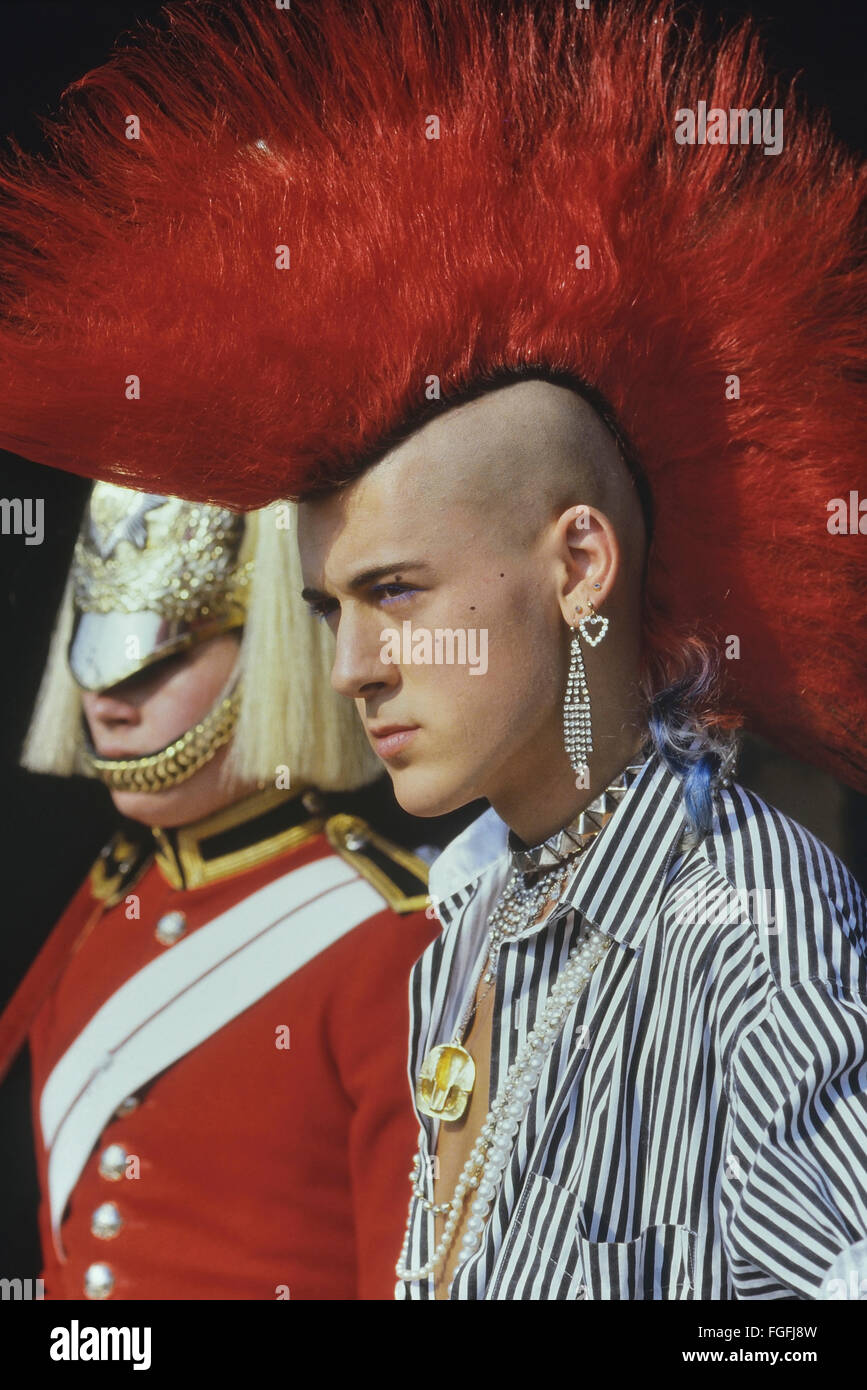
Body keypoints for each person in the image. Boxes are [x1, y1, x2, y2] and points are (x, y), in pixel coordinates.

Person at [0, 0, 864, 1301]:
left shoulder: (751, 915)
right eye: (326, 607)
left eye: (395, 591)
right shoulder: (465, 909)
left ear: (576, 567)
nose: (349, 667)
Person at [1, 482, 437, 1300]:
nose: (107, 705)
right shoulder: (108, 896)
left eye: (157, 657)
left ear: (270, 649)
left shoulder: (390, 937)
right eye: (97, 653)